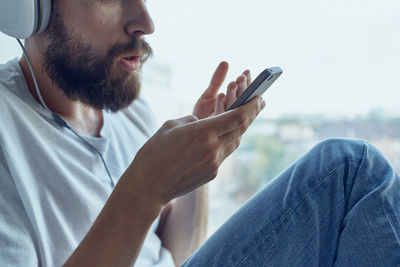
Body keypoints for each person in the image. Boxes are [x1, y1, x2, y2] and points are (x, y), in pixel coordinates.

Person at [0, 1, 399, 266]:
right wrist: (143, 191)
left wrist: (196, 165)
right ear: (26, 10)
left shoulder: (130, 112)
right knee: (349, 171)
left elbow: (181, 253)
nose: (145, 22)